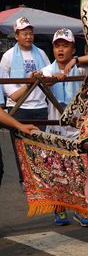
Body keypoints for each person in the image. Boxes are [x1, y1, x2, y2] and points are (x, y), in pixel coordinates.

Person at [39, 28, 88, 227]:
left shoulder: (80, 69)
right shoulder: (46, 70)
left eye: (65, 45)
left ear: (72, 48)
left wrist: (75, 62)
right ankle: (59, 210)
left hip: (76, 129)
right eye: (57, 46)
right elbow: (34, 78)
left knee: (79, 171)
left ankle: (80, 209)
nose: (61, 50)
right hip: (54, 128)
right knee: (56, 171)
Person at [0, 17, 50, 185]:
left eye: (30, 33)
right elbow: (12, 94)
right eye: (24, 34)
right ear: (16, 36)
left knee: (43, 147)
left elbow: (49, 76)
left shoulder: (41, 54)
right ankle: (25, 181)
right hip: (19, 108)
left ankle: (42, 182)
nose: (28, 37)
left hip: (41, 107)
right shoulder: (7, 57)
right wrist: (30, 83)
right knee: (21, 149)